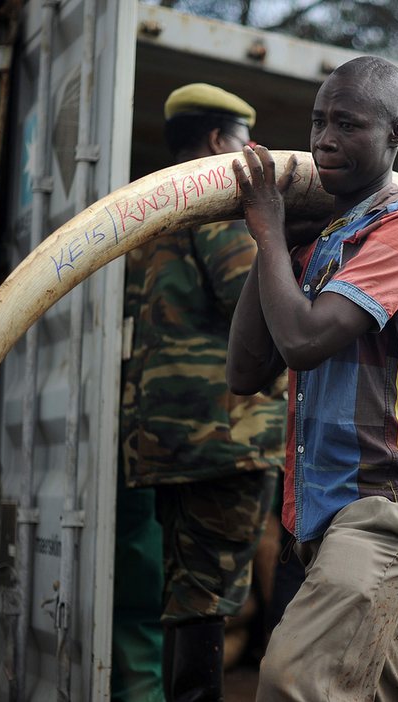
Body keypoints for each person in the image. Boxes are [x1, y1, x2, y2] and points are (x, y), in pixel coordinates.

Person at [226, 55, 398, 700]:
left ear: (396, 134)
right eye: (318, 122)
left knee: (291, 679)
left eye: (348, 124)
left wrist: (270, 232)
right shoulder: (317, 240)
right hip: (321, 515)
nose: (324, 140)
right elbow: (245, 371)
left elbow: (302, 342)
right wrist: (274, 244)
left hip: (384, 505)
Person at [115, 82, 286, 702]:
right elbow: (258, 298)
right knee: (207, 596)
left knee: (184, 595)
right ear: (218, 141)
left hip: (167, 440)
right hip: (224, 438)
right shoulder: (218, 207)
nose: (253, 151)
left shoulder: (156, 209)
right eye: (244, 139)